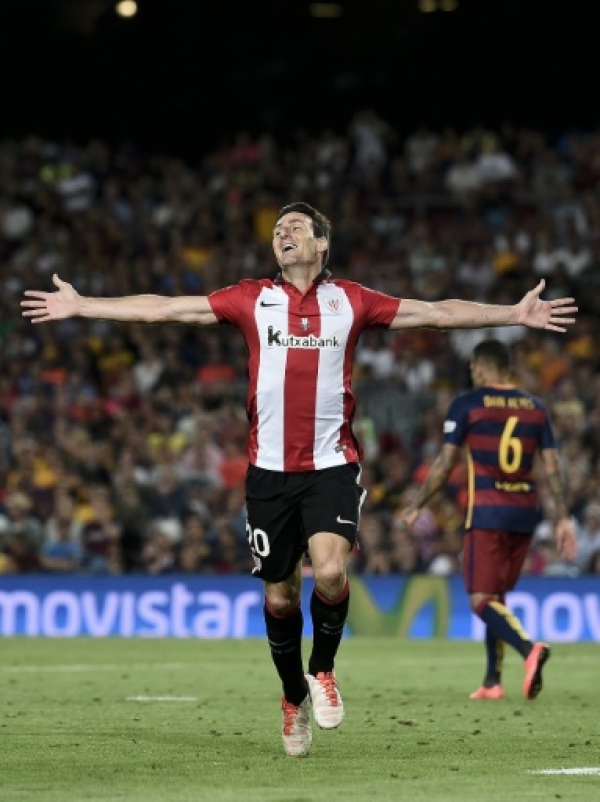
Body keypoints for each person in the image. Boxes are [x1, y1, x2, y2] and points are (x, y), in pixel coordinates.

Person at [21, 202, 577, 756]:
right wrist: (84, 305)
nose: (282, 234)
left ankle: (324, 670)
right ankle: (293, 699)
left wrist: (512, 314)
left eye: (294, 227)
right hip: (268, 474)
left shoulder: (352, 301)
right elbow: (167, 309)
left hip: (331, 466)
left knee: (330, 572)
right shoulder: (250, 298)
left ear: (321, 243)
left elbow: (435, 312)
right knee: (282, 597)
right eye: (277, 229)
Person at [399, 339, 578, 702]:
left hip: (486, 511)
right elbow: (552, 467)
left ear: (480, 368)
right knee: (496, 597)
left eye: (472, 369)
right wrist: (561, 518)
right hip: (524, 513)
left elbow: (445, 464)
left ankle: (529, 649)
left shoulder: (468, 404)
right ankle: (492, 680)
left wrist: (417, 504)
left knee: (480, 600)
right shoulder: (536, 407)